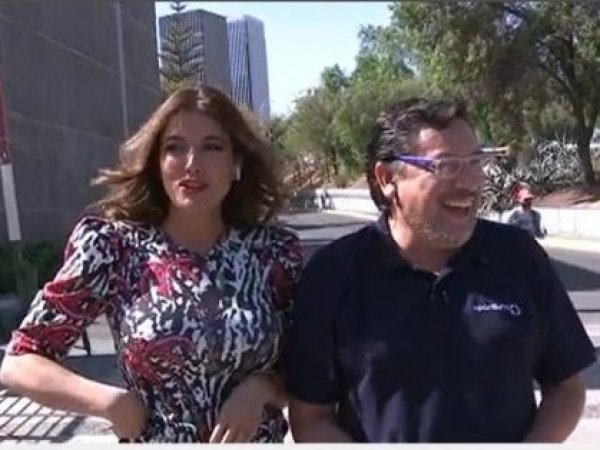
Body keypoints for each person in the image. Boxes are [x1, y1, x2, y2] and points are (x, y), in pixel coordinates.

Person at [0, 85, 303, 443]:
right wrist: (108, 402)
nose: (192, 164)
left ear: (236, 163)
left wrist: (263, 388)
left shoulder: (272, 253)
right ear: (157, 163)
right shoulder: (114, 248)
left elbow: (313, 363)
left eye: (212, 147)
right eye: (175, 147)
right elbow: (20, 361)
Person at [285, 98, 596, 443]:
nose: (469, 183)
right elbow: (311, 419)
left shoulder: (519, 256)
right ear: (387, 178)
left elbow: (566, 389)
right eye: (446, 166)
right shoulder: (333, 273)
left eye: (475, 163)